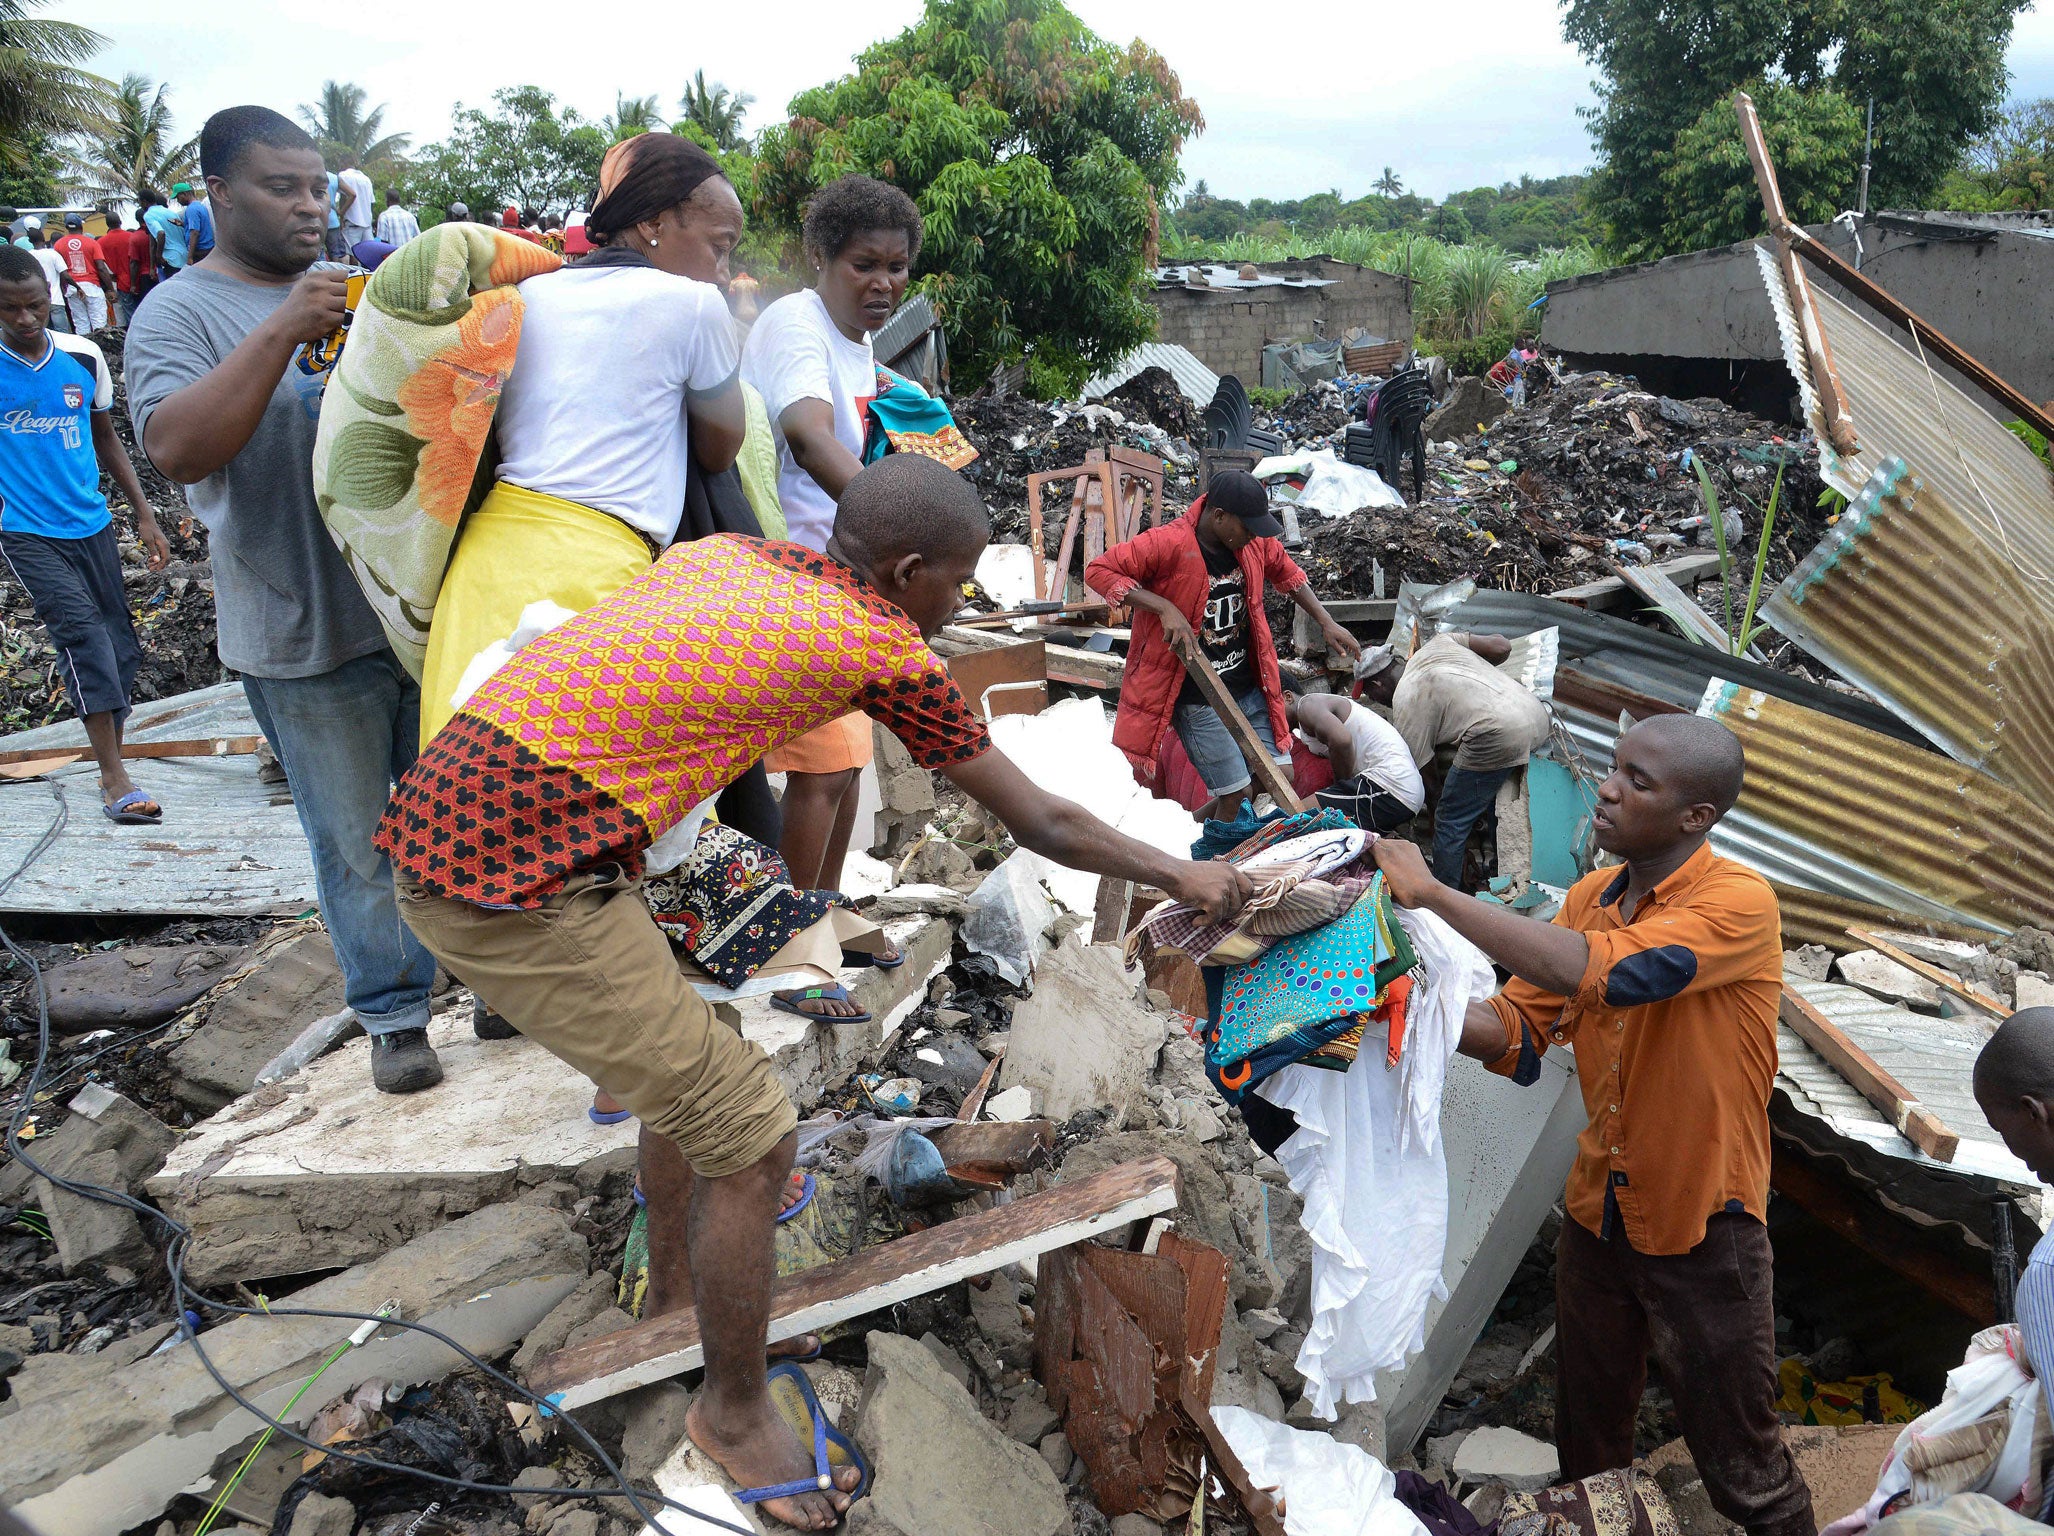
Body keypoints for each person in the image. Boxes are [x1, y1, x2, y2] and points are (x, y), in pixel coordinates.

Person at [377, 453, 1251, 1532]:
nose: (958, 607)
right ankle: (732, 1411)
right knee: (749, 1134)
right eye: (955, 584)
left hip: (501, 825)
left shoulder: (731, 555)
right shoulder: (875, 641)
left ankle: (683, 1300)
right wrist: (1181, 872)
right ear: (908, 569)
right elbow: (1044, 823)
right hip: (504, 879)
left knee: (686, 1060)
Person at [1373, 712, 1813, 1536]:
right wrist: (1387, 1003)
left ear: (1697, 818)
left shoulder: (1738, 904)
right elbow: (1514, 1029)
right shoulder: (1588, 899)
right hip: (1596, 1219)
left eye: (1638, 781)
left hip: (1701, 1229)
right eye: (1614, 768)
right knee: (1589, 1453)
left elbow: (1615, 975)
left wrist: (1434, 893)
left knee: (1745, 1471)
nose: (1607, 788)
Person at [125, 106, 442, 1096]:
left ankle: (499, 981)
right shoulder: (179, 314)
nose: (309, 205)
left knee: (458, 812)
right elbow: (177, 449)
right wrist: (284, 329)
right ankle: (393, 1013)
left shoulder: (363, 293)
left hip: (415, 614)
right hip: (301, 632)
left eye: (317, 186)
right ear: (217, 192)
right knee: (354, 841)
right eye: (281, 186)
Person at [740, 174, 924, 944]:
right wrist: (905, 530)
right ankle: (789, 940)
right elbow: (812, 440)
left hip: (838, 583)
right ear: (820, 255)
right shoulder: (797, 324)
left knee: (847, 765)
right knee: (822, 766)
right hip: (786, 579)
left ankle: (827, 911)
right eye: (863, 265)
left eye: (897, 266)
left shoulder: (859, 340)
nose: (883, 284)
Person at [0, 244, 172, 822]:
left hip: (92, 523)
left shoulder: (83, 356)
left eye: (33, 305)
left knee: (120, 646)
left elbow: (106, 437)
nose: (24, 320)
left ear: (52, 298)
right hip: (25, 529)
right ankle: (113, 776)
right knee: (84, 640)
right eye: (8, 309)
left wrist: (144, 513)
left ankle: (112, 751)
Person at [1087, 469, 1364, 821]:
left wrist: (1326, 621)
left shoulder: (1252, 544)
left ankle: (1199, 824)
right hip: (1197, 694)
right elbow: (1099, 571)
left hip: (1245, 684)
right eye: (1246, 528)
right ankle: (1214, 858)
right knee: (1235, 792)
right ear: (1218, 516)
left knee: (1281, 775)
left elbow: (1286, 572)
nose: (1252, 537)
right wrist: (1164, 607)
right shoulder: (1167, 544)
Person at [1357, 630, 1551, 888]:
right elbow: (1502, 646)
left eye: (1370, 696)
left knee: (1450, 818)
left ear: (1377, 685)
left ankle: (1446, 896)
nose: (1375, 701)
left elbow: (1432, 790)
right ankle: (1500, 877)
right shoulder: (1440, 643)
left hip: (1499, 733)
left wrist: (1452, 852)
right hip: (1537, 715)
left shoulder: (1406, 701)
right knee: (1496, 800)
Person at [1287, 686, 1424, 831]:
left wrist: (1339, 787)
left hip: (1390, 785)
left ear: (1287, 697)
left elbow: (1341, 741)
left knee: (1294, 817)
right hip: (1397, 790)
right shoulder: (1306, 726)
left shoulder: (1308, 705)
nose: (1270, 720)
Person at [50, 214, 114, 333]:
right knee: (99, 324)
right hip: (92, 287)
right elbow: (101, 267)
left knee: (81, 324)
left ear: (67, 227)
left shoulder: (58, 245)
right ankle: (99, 349)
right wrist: (110, 289)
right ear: (81, 226)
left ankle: (85, 350)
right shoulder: (92, 243)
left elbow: (59, 270)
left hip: (72, 288)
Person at [26, 225, 77, 334]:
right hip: (56, 299)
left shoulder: (28, 256)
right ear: (44, 238)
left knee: (45, 333)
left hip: (38, 301)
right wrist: (78, 287)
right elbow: (65, 275)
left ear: (30, 241)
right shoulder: (53, 254)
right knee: (63, 333)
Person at [98, 211, 146, 325]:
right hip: (139, 280)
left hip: (120, 283)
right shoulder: (131, 237)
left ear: (107, 224)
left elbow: (102, 266)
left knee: (128, 315)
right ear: (120, 222)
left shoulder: (101, 242)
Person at [140, 189, 184, 281]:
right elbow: (182, 227)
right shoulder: (170, 212)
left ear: (144, 202)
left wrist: (158, 256)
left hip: (171, 260)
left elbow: (161, 233)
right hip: (184, 256)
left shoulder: (149, 215)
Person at [336, 155, 374, 248]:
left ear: (343, 163)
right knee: (368, 254)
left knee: (353, 254)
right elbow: (371, 202)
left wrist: (341, 214)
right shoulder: (366, 179)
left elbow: (344, 197)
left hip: (351, 222)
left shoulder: (343, 175)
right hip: (367, 224)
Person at [182, 189, 216, 266]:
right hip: (208, 248)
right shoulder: (201, 206)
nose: (178, 201)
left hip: (200, 250)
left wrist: (190, 257)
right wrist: (183, 224)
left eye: (178, 197)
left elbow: (195, 232)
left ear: (184, 194)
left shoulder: (191, 209)